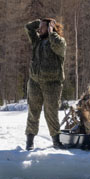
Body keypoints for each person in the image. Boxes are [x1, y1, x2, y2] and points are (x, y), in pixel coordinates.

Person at [24, 17, 66, 149]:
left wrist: (51, 31)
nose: (39, 29)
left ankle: (56, 141)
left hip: (52, 83)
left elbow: (59, 45)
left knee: (51, 112)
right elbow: (28, 28)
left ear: (50, 28)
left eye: (43, 27)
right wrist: (39, 22)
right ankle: (29, 141)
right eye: (40, 27)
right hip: (35, 82)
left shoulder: (58, 41)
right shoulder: (37, 41)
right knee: (33, 112)